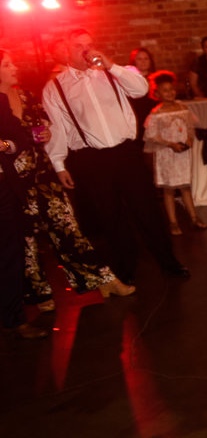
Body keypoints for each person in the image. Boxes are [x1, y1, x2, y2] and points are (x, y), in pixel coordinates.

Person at [40, 28, 190, 283]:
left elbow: (141, 89)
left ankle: (168, 262)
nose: (85, 50)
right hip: (91, 159)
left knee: (147, 211)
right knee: (111, 217)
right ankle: (126, 268)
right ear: (66, 49)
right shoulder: (55, 87)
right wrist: (58, 163)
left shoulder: (113, 72)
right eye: (79, 46)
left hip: (125, 152)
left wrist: (111, 65)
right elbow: (57, 128)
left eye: (89, 44)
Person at [1, 50, 136, 313]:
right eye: (7, 64)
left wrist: (46, 133)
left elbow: (45, 125)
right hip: (13, 180)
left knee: (68, 228)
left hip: (41, 172)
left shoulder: (26, 95)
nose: (14, 67)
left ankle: (103, 280)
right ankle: (38, 294)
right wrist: (11, 145)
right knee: (26, 239)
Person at [144, 72, 207, 235]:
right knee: (169, 189)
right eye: (165, 90)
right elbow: (151, 135)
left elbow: (190, 127)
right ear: (157, 93)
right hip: (167, 155)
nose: (170, 93)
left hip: (182, 154)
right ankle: (173, 222)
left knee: (185, 186)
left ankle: (194, 217)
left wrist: (189, 139)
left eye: (171, 89)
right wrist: (170, 144)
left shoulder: (182, 108)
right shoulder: (157, 113)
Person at [0, 105, 43, 338]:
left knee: (9, 255)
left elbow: (18, 139)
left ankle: (15, 320)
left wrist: (4, 145)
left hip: (2, 189)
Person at [127, 47, 159, 140]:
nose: (143, 62)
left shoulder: (157, 78)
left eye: (146, 59)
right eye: (139, 59)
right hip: (139, 117)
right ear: (134, 61)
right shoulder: (130, 80)